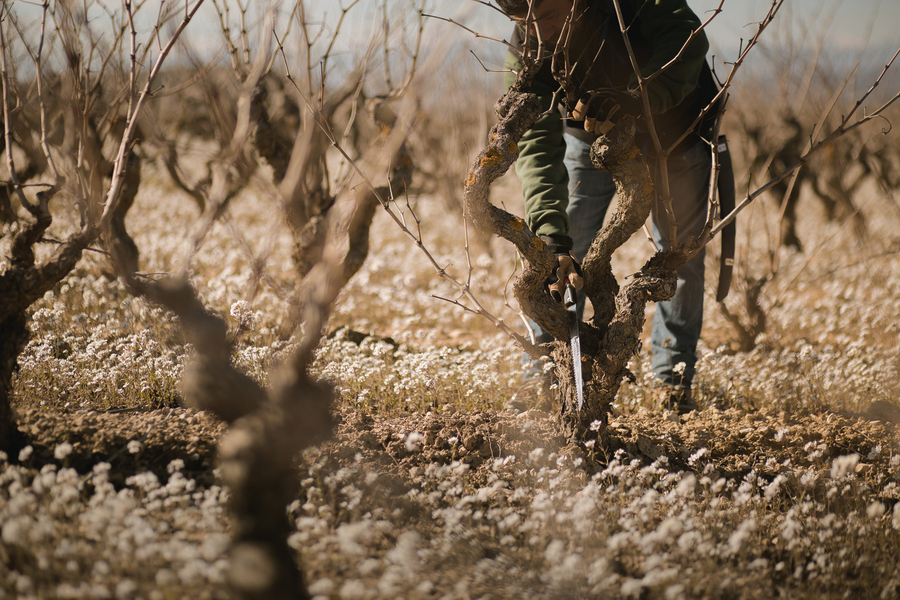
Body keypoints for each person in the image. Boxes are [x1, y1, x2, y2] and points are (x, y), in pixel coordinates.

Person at [499, 0, 721, 413]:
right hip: (589, 141)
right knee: (557, 256)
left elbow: (686, 40)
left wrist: (640, 98)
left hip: (679, 133)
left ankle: (672, 384)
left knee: (679, 259)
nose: (542, 32)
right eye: (526, 22)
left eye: (548, 16)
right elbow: (535, 140)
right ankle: (546, 378)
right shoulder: (529, 43)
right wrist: (549, 230)